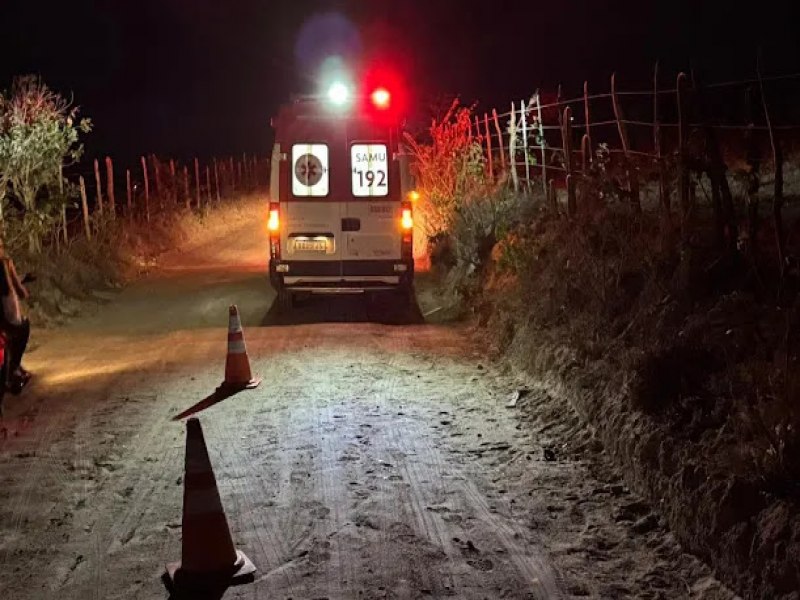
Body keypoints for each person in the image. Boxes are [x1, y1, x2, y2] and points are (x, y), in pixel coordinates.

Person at [0, 240, 31, 394]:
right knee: (23, 326)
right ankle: (14, 368)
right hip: (8, 319)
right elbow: (16, 288)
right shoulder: (5, 264)